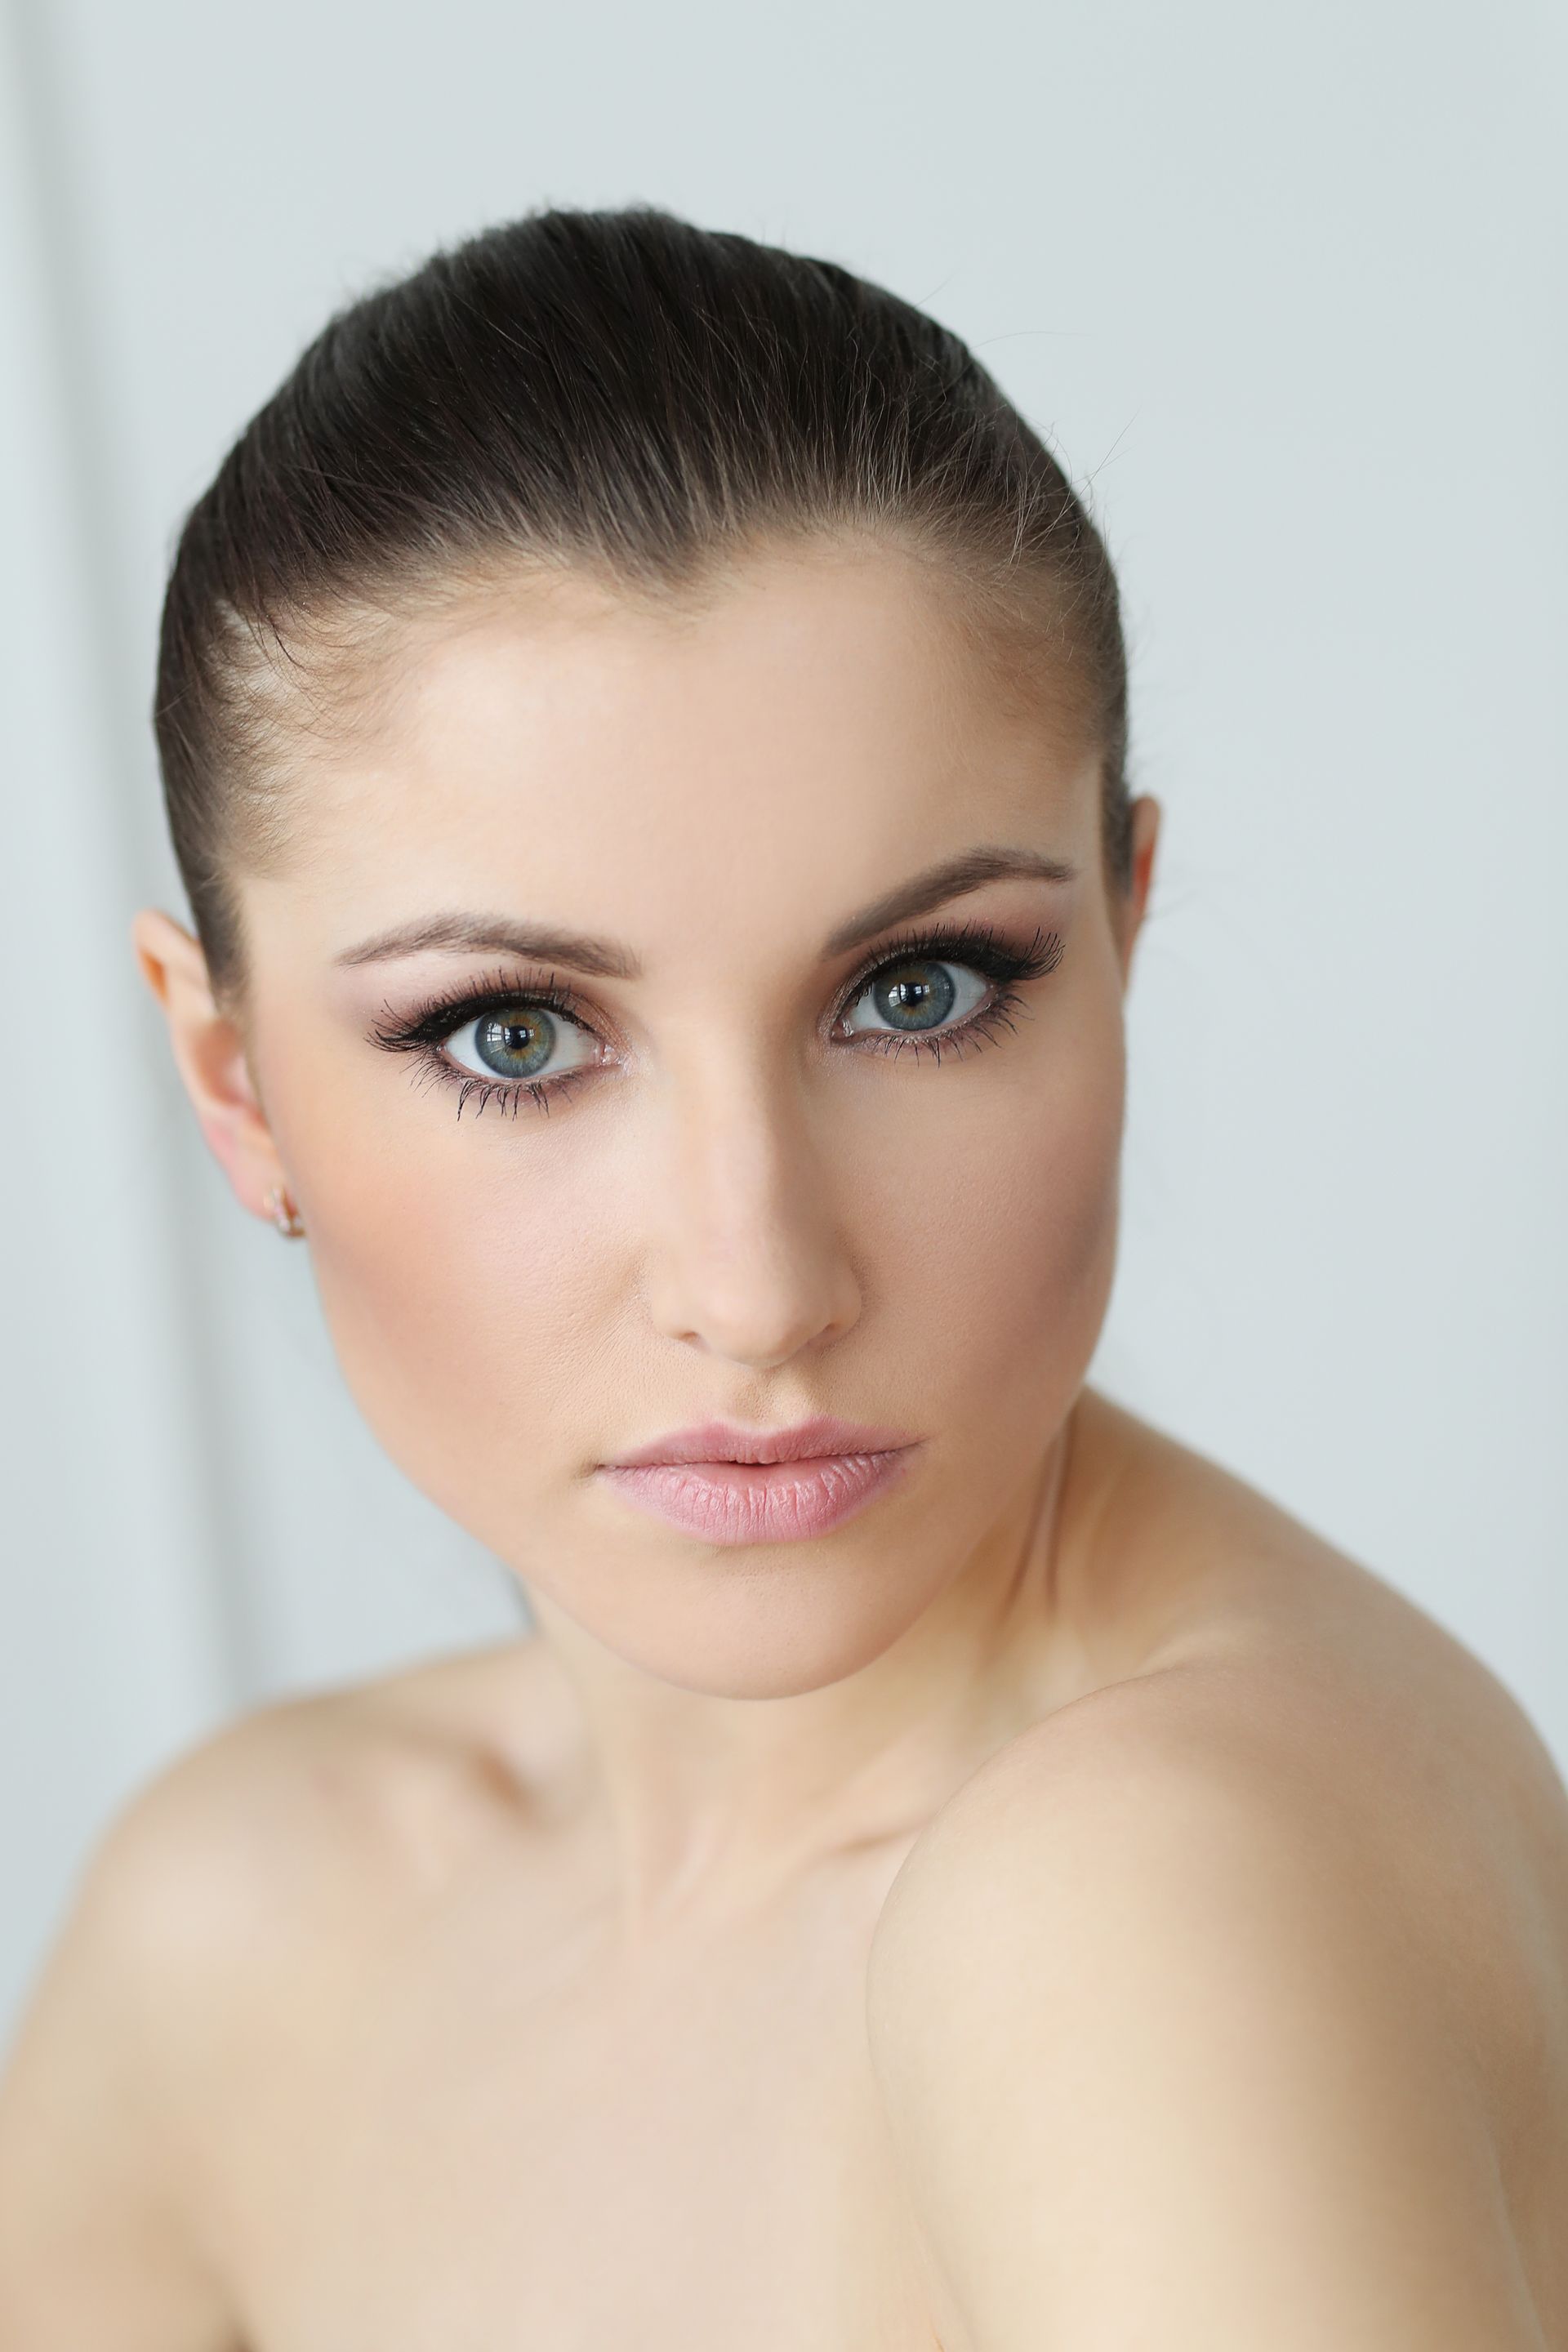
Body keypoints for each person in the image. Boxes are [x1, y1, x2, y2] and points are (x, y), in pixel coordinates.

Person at [0, 203, 1563, 2352]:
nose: (761, 1285)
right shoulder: (243, 1919)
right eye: (516, 1037)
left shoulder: (1150, 1894)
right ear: (232, 1077)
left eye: (921, 991)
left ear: (1120, 932)